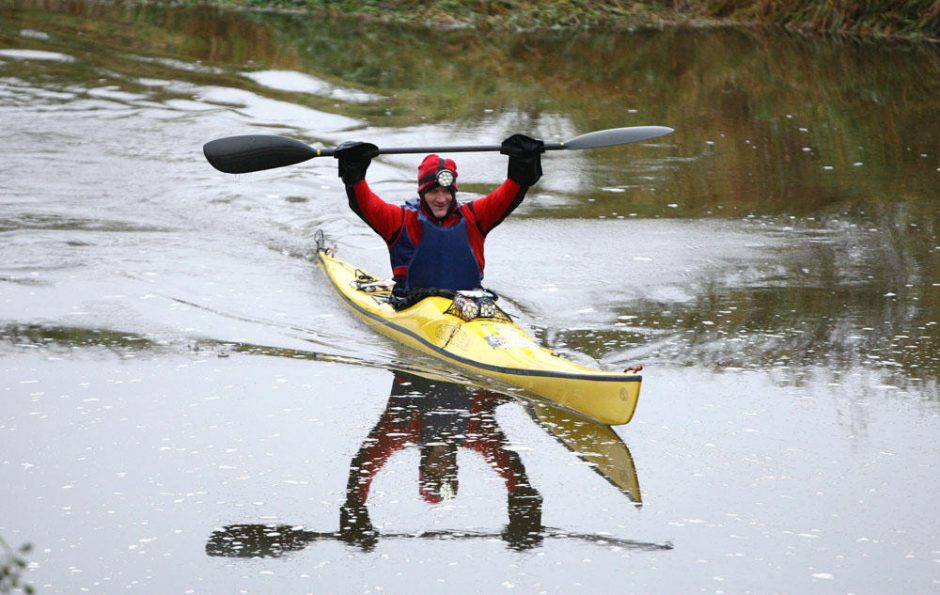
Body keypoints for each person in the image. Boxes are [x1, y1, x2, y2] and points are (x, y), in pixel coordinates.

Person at [333, 134, 545, 296]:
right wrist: (354, 171)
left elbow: (511, 192)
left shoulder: (475, 217)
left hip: (468, 302)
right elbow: (363, 203)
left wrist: (522, 163)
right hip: (413, 306)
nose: (441, 199)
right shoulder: (399, 221)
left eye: (447, 192)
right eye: (433, 191)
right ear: (422, 193)